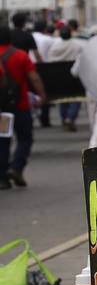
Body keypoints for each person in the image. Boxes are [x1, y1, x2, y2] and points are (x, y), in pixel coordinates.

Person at [0, 26, 46, 190]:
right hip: (20, 105)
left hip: (2, 109)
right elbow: (34, 78)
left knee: (3, 140)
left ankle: (2, 178)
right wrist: (41, 95)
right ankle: (16, 168)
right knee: (25, 138)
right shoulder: (20, 55)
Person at [44, 25, 84, 131]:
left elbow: (50, 60)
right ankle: (70, 117)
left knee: (63, 98)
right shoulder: (77, 45)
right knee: (77, 97)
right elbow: (81, 59)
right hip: (73, 75)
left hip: (59, 76)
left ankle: (64, 118)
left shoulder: (55, 46)